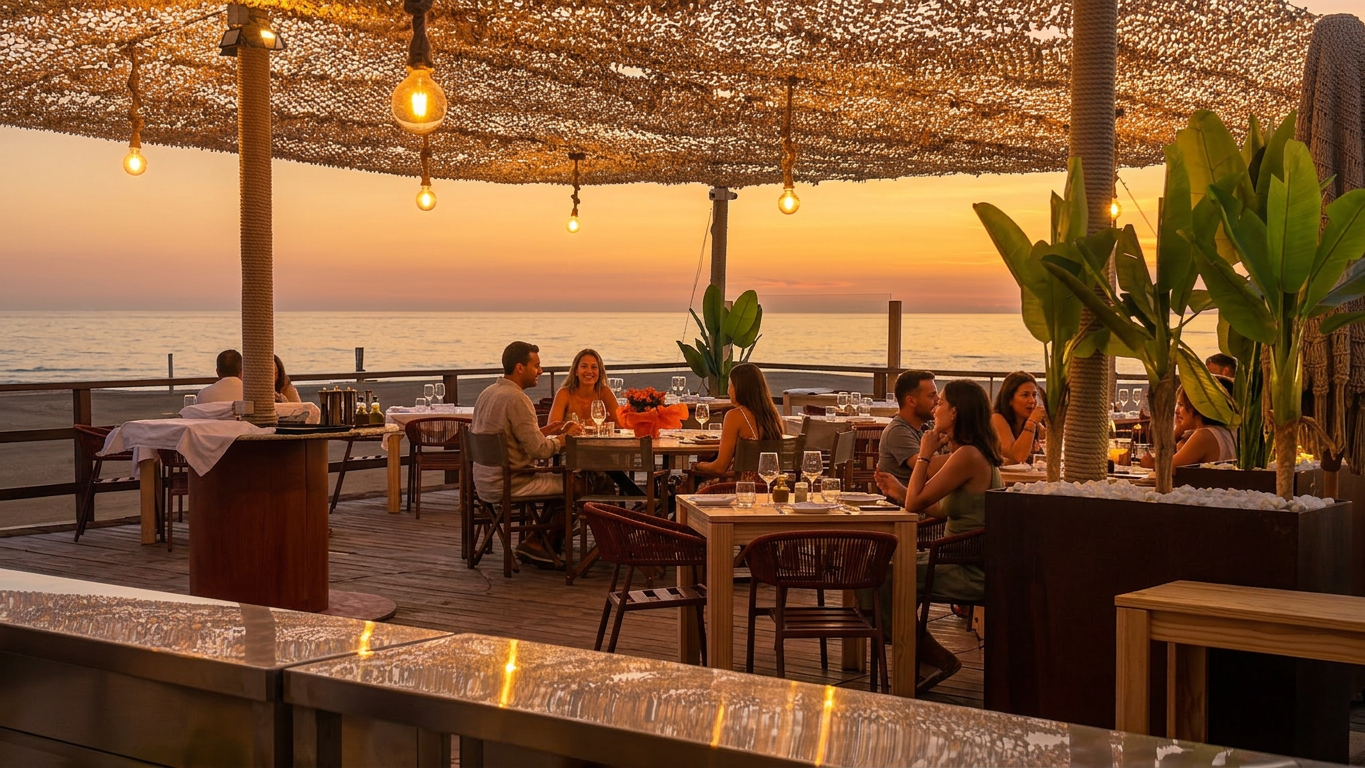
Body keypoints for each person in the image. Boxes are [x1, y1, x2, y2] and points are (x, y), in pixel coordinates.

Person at [872, 379, 1003, 693]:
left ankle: (930, 657)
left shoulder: (968, 456)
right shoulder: (971, 453)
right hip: (955, 557)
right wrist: (901, 491)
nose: (935, 407)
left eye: (941, 402)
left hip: (966, 568)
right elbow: (942, 509)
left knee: (882, 574)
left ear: (955, 413)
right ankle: (922, 656)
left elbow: (916, 504)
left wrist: (924, 454)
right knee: (881, 568)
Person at [471, 341, 582, 565]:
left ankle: (538, 540)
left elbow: (506, 440)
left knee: (562, 481)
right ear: (520, 367)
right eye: (537, 365)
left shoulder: (488, 393)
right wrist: (564, 439)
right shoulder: (517, 399)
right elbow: (539, 450)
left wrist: (543, 431)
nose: (540, 370)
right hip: (511, 482)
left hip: (484, 481)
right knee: (579, 483)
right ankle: (539, 542)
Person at [691, 363, 784, 476]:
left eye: (730, 385)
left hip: (739, 484)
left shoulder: (735, 416)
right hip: (769, 483)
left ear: (741, 388)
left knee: (692, 477)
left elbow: (719, 467)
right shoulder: (773, 416)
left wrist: (698, 465)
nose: (728, 391)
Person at [1141, 376, 1237, 469]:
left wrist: (1149, 463)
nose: (1176, 410)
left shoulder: (1205, 435)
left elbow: (1167, 469)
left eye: (1181, 404)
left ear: (1198, 406)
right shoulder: (1228, 432)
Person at [877, 370, 946, 485]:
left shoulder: (925, 427)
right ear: (911, 401)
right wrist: (967, 454)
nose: (937, 400)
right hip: (903, 501)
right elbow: (930, 469)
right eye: (931, 395)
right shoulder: (897, 432)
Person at [549, 348, 620, 426]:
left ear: (600, 372)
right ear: (576, 371)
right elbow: (552, 428)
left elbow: (621, 425)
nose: (589, 371)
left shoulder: (605, 392)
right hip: (570, 438)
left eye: (594, 367)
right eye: (584, 366)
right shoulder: (564, 394)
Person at [990, 371, 1045, 465]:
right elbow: (1019, 456)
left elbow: (1049, 443)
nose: (1032, 400)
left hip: (1028, 478)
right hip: (1006, 479)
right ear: (1010, 400)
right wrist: (1031, 423)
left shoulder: (1031, 423)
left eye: (1034, 395)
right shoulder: (997, 419)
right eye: (1025, 395)